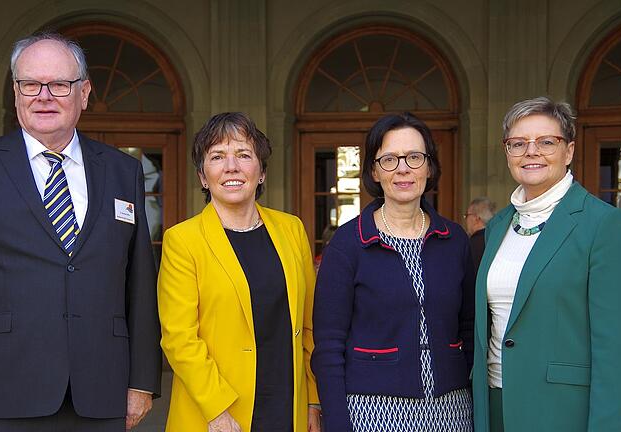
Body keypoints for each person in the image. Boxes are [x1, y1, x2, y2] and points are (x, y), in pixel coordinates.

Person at [0, 32, 161, 431]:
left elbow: (139, 284)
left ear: (84, 93)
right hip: (0, 392)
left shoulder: (122, 171)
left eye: (59, 84)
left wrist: (142, 380)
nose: (43, 95)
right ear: (16, 93)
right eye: (30, 83)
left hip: (102, 392)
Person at [471, 97, 621, 431]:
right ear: (507, 153)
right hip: (494, 403)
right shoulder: (498, 225)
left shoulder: (602, 223)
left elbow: (614, 352)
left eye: (547, 142)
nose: (531, 152)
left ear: (569, 151)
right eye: (518, 143)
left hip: (561, 411)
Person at [157, 112, 320, 432]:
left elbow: (311, 324)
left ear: (261, 172)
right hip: (215, 413)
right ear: (203, 176)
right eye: (217, 156)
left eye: (244, 155)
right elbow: (179, 339)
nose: (231, 166)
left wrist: (313, 397)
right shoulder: (182, 240)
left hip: (288, 405)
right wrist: (216, 409)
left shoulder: (292, 230)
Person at [312, 112, 475, 432]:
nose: (403, 168)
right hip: (371, 411)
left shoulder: (454, 239)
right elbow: (329, 345)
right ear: (374, 169)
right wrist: (337, 421)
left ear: (429, 166)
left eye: (414, 157)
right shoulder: (348, 244)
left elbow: (468, 327)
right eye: (389, 159)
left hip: (451, 410)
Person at [464, 197, 496, 269]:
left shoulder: (469, 246)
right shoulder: (497, 240)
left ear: (476, 218)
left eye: (467, 216)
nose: (466, 220)